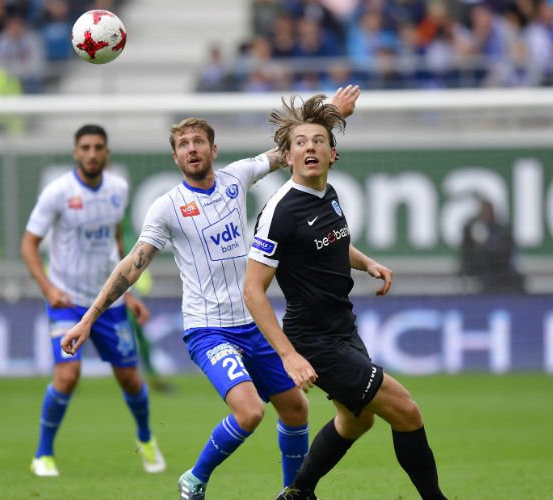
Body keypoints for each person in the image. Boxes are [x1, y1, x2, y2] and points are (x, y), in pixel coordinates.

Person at [60, 86, 360, 500]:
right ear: (176, 158)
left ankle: (294, 493)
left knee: (296, 409)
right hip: (209, 330)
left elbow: (291, 148)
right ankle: (195, 479)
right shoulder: (166, 207)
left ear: (213, 149)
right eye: (183, 144)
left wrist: (329, 113)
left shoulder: (237, 177)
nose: (192, 148)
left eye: (199, 141)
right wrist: (88, 318)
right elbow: (132, 264)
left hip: (254, 325)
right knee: (250, 411)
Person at [242, 94, 449, 500]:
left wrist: (366, 262)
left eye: (318, 141)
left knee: (357, 422)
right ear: (287, 157)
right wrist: (289, 355)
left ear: (332, 154)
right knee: (406, 411)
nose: (309, 148)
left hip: (342, 329)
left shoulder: (329, 193)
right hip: (313, 339)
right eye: (300, 143)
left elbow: (332, 243)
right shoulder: (279, 211)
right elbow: (252, 291)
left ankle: (298, 492)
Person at [21, 124, 166, 477]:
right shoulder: (57, 193)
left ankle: (146, 439)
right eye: (85, 147)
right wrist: (49, 290)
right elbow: (28, 245)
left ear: (107, 153)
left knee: (130, 379)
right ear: (75, 153)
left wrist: (127, 294)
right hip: (67, 301)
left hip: (109, 304)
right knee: (68, 376)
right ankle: (43, 454)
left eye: (98, 147)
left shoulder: (117, 189)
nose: (91, 153)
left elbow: (117, 243)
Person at [459, 197, 524, 293]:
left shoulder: (501, 232)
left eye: (489, 212)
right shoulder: (471, 229)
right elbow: (466, 254)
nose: (487, 215)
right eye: (484, 212)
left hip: (498, 269)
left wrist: (491, 247)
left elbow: (506, 253)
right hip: (479, 269)